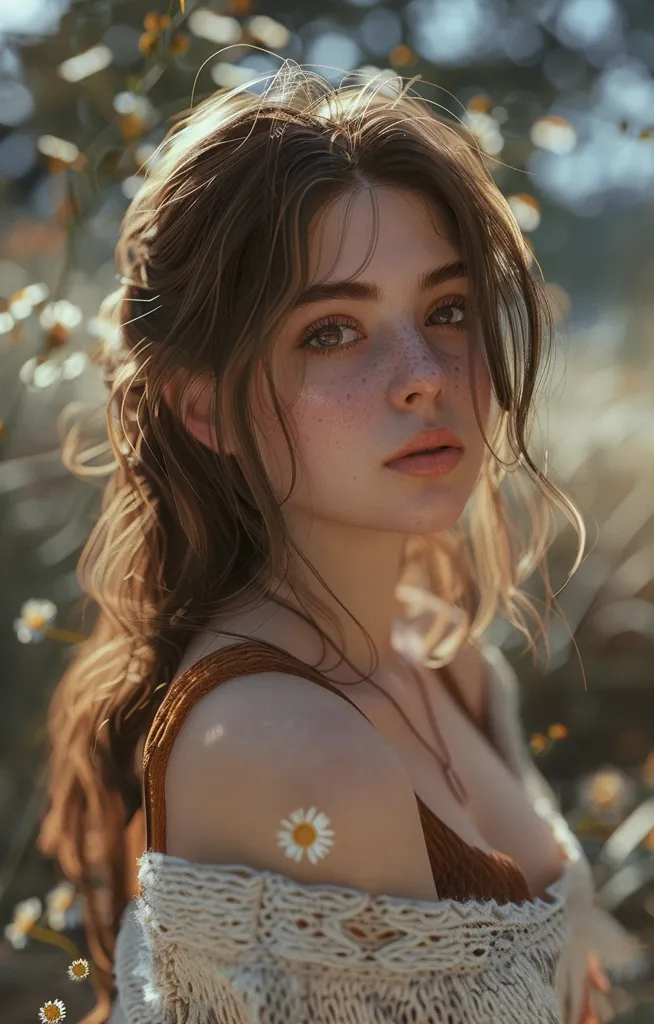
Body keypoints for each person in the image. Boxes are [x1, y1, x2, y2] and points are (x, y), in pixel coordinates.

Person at [36, 61, 637, 1024]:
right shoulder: (294, 747)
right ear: (204, 408)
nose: (423, 376)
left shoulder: (451, 663)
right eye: (332, 332)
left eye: (447, 310)